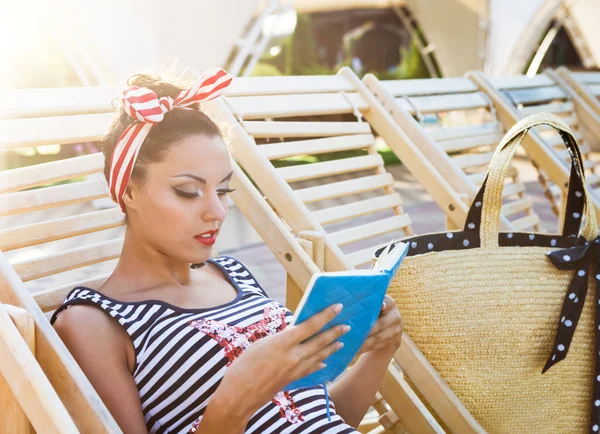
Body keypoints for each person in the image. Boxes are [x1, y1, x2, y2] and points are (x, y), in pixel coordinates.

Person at [51, 68, 404, 434]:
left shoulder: (233, 274)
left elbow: (319, 419)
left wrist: (380, 352)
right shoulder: (93, 324)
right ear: (129, 192)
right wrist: (234, 398)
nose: (216, 211)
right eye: (188, 191)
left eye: (223, 191)